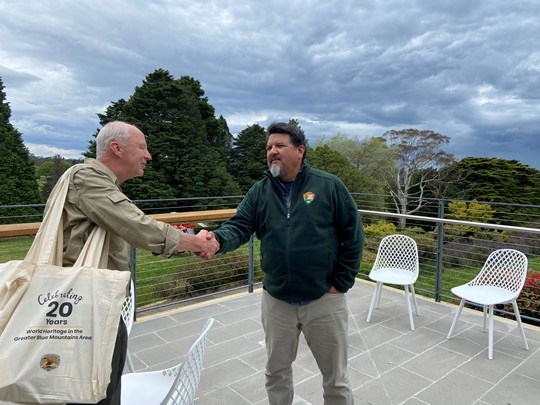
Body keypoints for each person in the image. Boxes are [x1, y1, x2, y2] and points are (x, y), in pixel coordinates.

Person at [46, 120, 219, 405]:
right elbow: (137, 226)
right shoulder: (87, 178)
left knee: (106, 386)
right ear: (116, 148)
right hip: (85, 313)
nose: (148, 155)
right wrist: (197, 242)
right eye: (142, 147)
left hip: (97, 307)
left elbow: (132, 225)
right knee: (95, 392)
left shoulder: (97, 182)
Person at [208, 121, 364, 404]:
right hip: (277, 301)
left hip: (323, 300)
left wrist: (341, 282)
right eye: (269, 147)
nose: (272, 152)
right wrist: (216, 241)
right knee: (276, 373)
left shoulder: (329, 186)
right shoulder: (260, 191)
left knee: (336, 379)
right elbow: (240, 226)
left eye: (279, 145)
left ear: (300, 150)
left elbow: (353, 235)